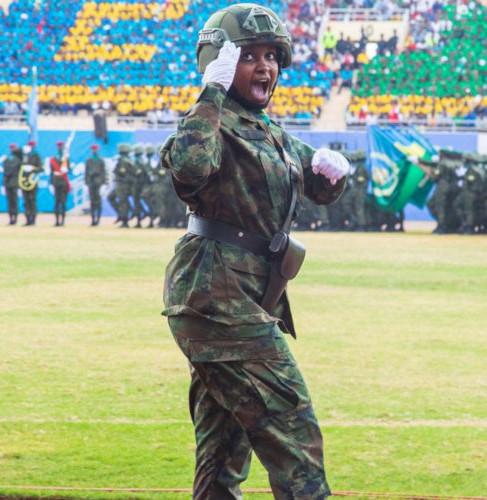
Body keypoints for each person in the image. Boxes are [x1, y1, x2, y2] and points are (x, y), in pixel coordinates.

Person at [159, 5, 348, 498]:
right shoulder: (207, 120)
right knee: (292, 427)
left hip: (246, 296)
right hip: (216, 299)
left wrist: (334, 171)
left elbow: (318, 184)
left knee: (223, 449)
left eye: (271, 57)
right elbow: (190, 171)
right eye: (248, 56)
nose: (265, 67)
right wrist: (211, 92)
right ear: (219, 61)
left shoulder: (268, 129)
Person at [21, 140, 43, 226]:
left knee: (32, 200)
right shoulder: (24, 156)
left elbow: (41, 168)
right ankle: (27, 219)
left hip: (33, 181)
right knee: (26, 201)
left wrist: (32, 168)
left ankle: (33, 219)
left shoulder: (36, 155)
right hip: (24, 181)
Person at [85, 144, 107, 226]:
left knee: (98, 202)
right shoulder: (89, 160)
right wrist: (86, 183)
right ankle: (93, 219)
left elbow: (103, 172)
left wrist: (103, 184)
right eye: (93, 149)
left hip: (98, 183)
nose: (94, 150)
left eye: (95, 149)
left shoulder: (101, 161)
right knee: (92, 202)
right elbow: (86, 172)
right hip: (91, 182)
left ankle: (98, 219)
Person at [50, 140, 71, 226]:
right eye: (58, 146)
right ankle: (57, 221)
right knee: (56, 202)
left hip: (63, 183)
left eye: (61, 146)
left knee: (63, 202)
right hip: (56, 182)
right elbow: (52, 171)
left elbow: (68, 169)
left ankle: (62, 221)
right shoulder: (54, 158)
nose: (60, 148)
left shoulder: (65, 158)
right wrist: (51, 183)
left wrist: (66, 169)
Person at [2, 143, 23, 225]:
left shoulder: (18, 159)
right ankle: (11, 218)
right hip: (8, 183)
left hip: (14, 183)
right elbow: (4, 172)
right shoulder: (7, 159)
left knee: (15, 201)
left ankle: (15, 218)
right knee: (9, 202)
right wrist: (3, 184)